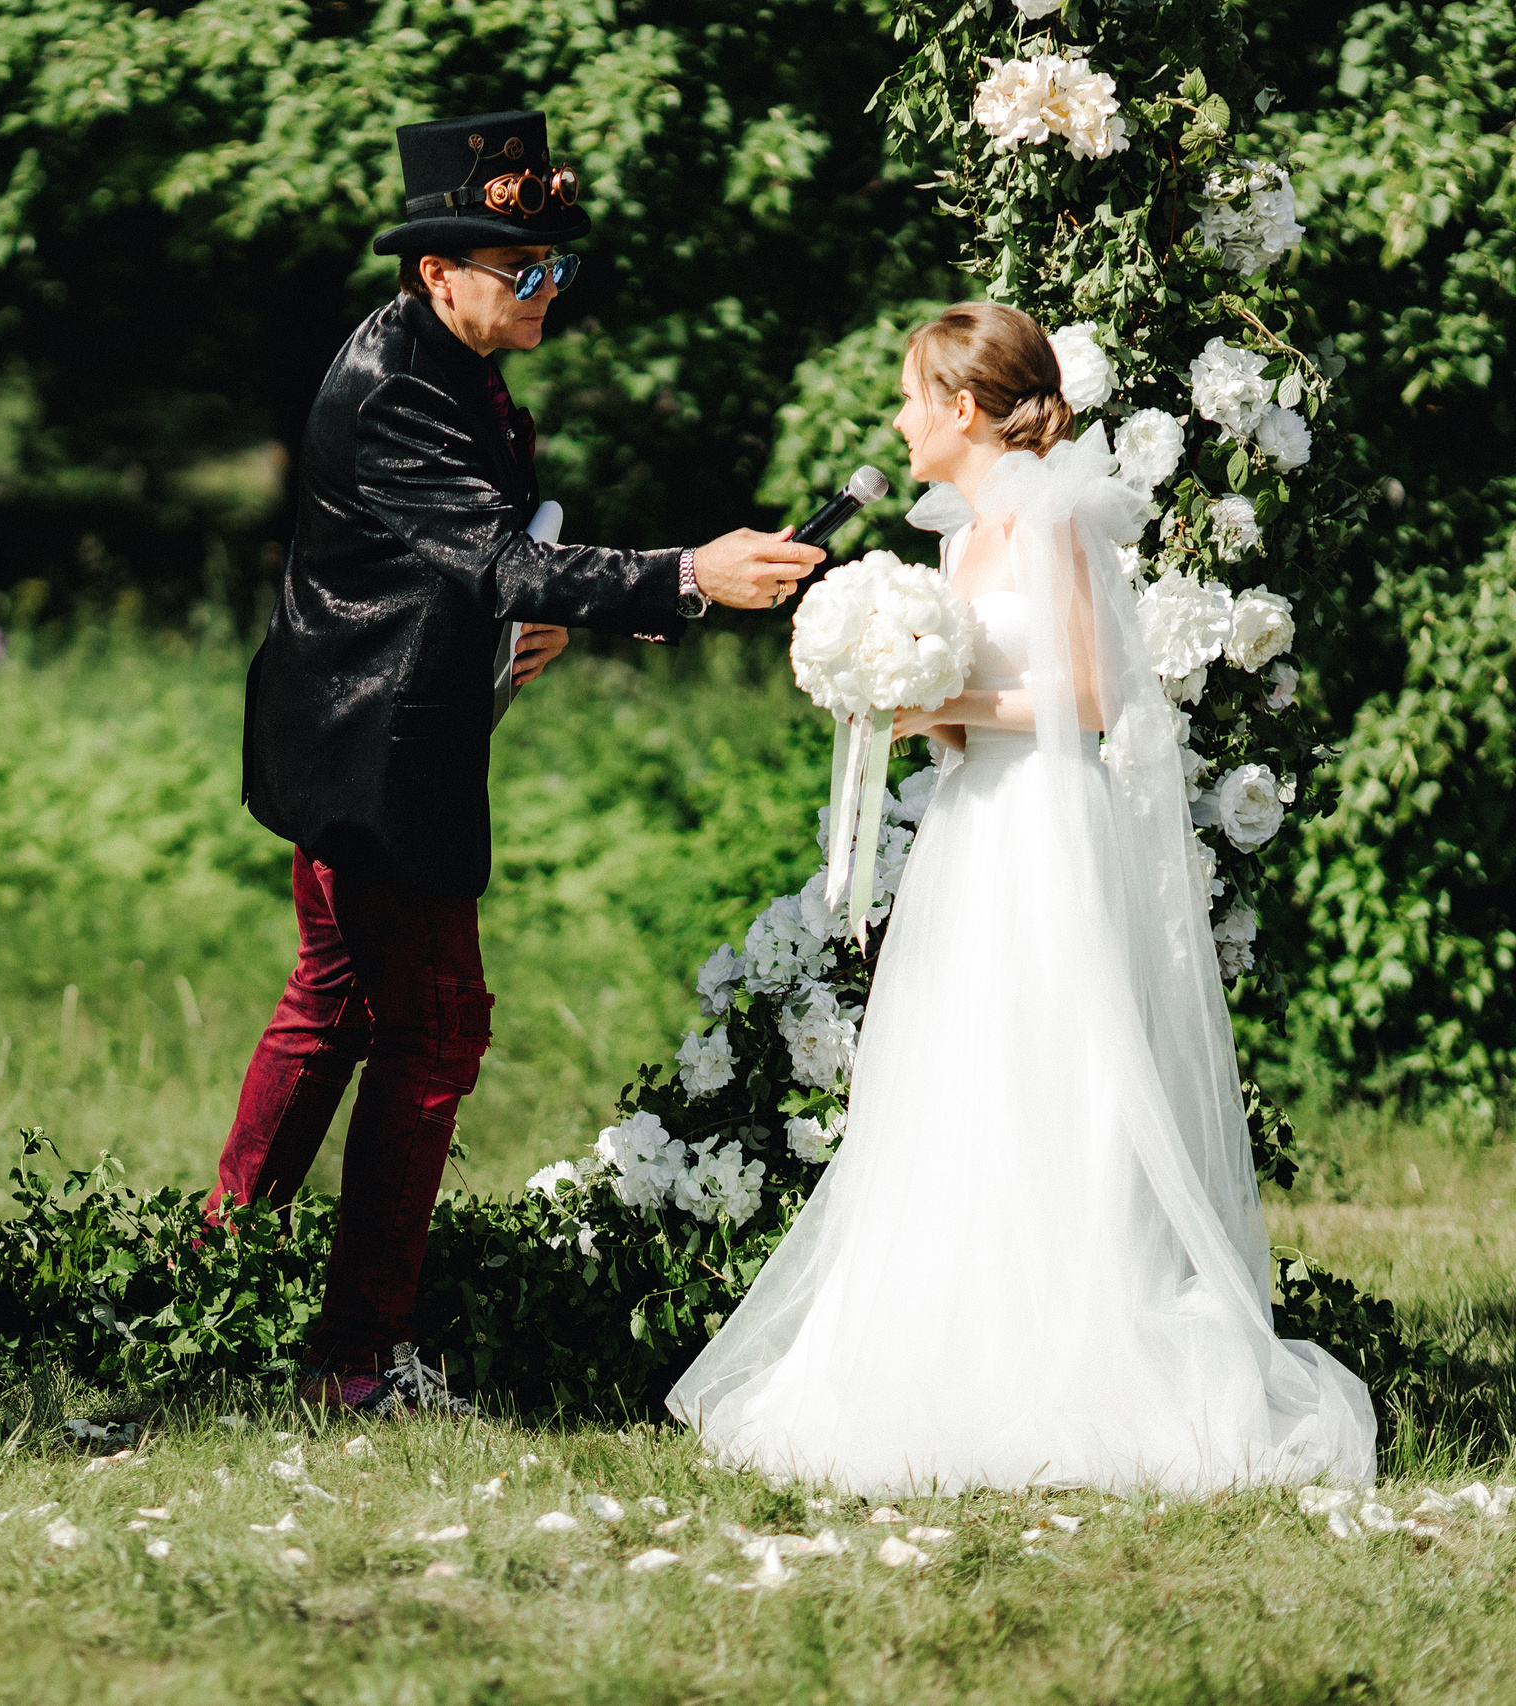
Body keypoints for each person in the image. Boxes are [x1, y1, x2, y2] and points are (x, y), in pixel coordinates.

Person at [667, 304, 1377, 1493]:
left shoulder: (1045, 516)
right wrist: (927, 709)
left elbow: (1093, 696)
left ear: (960, 406)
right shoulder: (959, 533)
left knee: (1050, 1061)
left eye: (908, 397)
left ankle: (1075, 1346)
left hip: (1042, 820)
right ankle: (958, 1337)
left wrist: (941, 706)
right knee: (959, 1065)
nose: (896, 420)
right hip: (971, 823)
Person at [220, 110, 826, 1418]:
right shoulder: (399, 386)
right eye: (524, 269)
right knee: (434, 1031)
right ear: (439, 271)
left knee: (334, 1001)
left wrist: (527, 619)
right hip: (374, 754)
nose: (551, 290)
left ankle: (226, 1274)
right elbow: (498, 557)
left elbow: (473, 559)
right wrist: (687, 575)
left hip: (376, 723)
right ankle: (351, 1357)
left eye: (559, 265)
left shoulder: (452, 360)